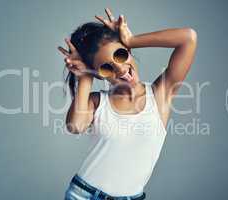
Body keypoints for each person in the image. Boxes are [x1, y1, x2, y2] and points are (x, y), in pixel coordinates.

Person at [58, 8, 197, 200]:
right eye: (107, 68)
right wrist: (85, 76)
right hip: (84, 195)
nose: (121, 69)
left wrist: (132, 40)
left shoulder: (160, 95)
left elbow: (188, 38)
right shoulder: (97, 102)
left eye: (121, 55)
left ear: (128, 51)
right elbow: (76, 126)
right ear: (99, 74)